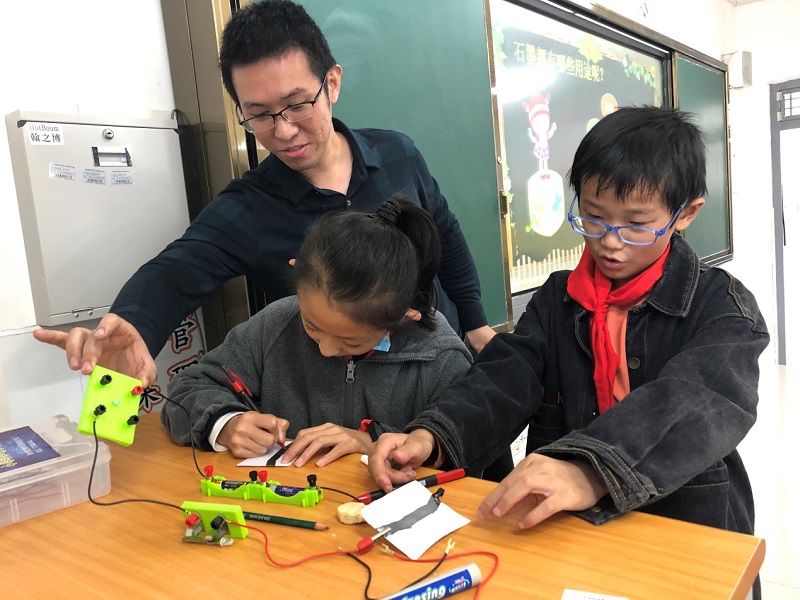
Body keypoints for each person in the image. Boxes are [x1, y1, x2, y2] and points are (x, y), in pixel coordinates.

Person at [367, 107, 769, 596]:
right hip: (571, 529)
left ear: (685, 213)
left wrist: (589, 468)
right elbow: (505, 377)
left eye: (637, 224)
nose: (610, 243)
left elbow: (697, 399)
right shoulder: (558, 298)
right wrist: (432, 434)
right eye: (593, 218)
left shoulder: (721, 305)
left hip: (686, 522)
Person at [32, 0, 495, 387]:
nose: (284, 130)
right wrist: (133, 323)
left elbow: (445, 234)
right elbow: (174, 271)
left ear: (332, 83)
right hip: (347, 402)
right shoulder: (249, 206)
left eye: (297, 104)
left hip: (444, 370)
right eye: (259, 114)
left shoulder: (398, 154)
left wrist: (476, 324)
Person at [163, 196, 472, 468]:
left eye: (350, 341)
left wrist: (373, 442)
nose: (325, 350)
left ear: (405, 316)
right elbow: (188, 388)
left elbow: (465, 455)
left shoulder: (440, 358)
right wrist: (226, 423)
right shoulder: (276, 324)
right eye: (311, 325)